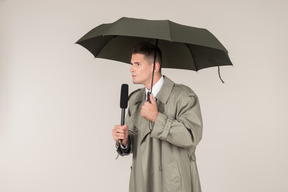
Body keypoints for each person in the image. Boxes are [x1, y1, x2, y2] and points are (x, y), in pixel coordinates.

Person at [112, 42, 203, 192]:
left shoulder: (183, 97)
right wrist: (125, 141)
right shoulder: (135, 100)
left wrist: (157, 117)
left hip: (174, 183)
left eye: (137, 64)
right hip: (142, 182)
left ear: (155, 66)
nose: (131, 69)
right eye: (131, 64)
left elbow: (191, 137)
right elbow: (135, 141)